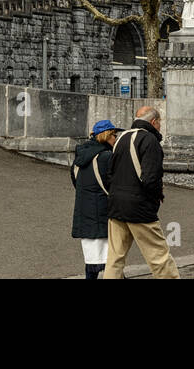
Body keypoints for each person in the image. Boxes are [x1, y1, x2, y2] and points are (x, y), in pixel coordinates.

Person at [104, 105, 180, 279]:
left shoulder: (121, 138)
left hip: (116, 205)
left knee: (115, 258)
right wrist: (155, 198)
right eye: (160, 122)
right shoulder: (150, 141)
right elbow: (151, 178)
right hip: (138, 206)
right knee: (158, 257)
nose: (160, 126)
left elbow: (110, 174)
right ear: (154, 122)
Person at [71, 119, 117, 279]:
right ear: (106, 136)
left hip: (84, 212)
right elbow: (114, 185)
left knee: (92, 260)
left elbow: (76, 183)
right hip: (103, 212)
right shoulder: (106, 157)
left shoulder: (79, 158)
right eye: (114, 135)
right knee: (111, 260)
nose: (116, 138)